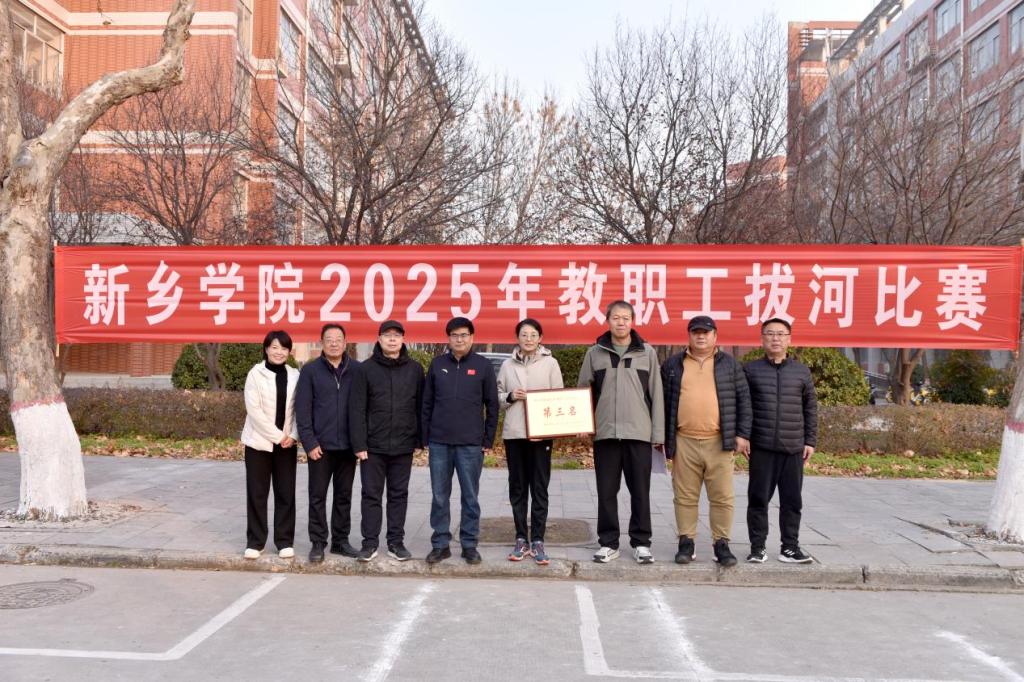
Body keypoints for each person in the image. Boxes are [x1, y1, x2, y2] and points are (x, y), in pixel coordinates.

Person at [577, 301, 664, 565]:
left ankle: (641, 543)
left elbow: (656, 393)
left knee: (640, 491)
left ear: (633, 321)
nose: (621, 322)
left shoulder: (646, 352)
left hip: (639, 433)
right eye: (616, 317)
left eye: (626, 318)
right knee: (606, 491)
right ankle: (608, 543)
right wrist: (582, 423)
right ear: (608, 321)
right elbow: (583, 390)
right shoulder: (595, 353)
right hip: (606, 434)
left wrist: (658, 433)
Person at [661, 316, 751, 568]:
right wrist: (662, 438)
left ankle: (721, 543)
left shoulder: (729, 365)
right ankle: (686, 541)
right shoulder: (673, 364)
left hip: (719, 441)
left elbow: (744, 400)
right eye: (696, 332)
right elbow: (662, 401)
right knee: (684, 496)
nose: (701, 336)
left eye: (706, 332)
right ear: (689, 336)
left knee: (722, 496)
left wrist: (742, 435)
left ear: (715, 336)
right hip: (684, 439)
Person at [421, 316, 499, 565]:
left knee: (470, 497)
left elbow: (492, 405)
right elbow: (426, 402)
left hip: (470, 444)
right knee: (439, 496)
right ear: (448, 338)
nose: (459, 339)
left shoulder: (483, 366)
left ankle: (469, 544)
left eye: (464, 335)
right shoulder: (437, 364)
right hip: (439, 442)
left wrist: (488, 438)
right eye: (454, 335)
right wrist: (425, 436)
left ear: (472, 337)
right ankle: (440, 544)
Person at [743, 318, 818, 564]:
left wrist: (810, 441)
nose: (775, 338)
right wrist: (744, 436)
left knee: (792, 501)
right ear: (762, 338)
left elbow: (810, 408)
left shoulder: (801, 371)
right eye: (770, 333)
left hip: (793, 447)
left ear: (789, 339)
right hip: (761, 446)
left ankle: (790, 548)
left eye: (781, 334)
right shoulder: (750, 370)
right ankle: (757, 548)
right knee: (758, 500)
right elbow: (744, 407)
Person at [348, 320, 424, 562]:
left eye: (397, 335)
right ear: (379, 339)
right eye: (387, 335)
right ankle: (369, 543)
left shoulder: (414, 369)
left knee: (398, 495)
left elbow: (420, 406)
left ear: (403, 340)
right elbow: (357, 409)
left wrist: (420, 439)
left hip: (404, 443)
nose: (392, 339)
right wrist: (359, 444)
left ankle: (395, 542)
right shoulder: (365, 369)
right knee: (371, 495)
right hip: (373, 446)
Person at [497, 318, 564, 565]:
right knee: (517, 487)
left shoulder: (550, 363)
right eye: (524, 334)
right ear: (517, 338)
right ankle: (520, 538)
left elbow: (559, 396)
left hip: (541, 433)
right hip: (515, 432)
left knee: (539, 487)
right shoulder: (507, 365)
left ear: (540, 338)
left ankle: (537, 539)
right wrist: (510, 396)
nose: (528, 339)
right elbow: (497, 395)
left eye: (533, 334)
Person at [295, 323, 361, 563]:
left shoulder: (357, 370)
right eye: (329, 339)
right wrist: (309, 443)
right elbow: (303, 410)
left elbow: (363, 408)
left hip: (348, 447)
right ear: (322, 343)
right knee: (317, 496)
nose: (334, 343)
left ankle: (340, 541)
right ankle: (318, 542)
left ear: (345, 343)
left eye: (338, 339)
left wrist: (360, 443)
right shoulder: (310, 371)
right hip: (320, 448)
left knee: (344, 496)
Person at [240, 330, 300, 560]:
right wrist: (278, 436)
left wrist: (293, 435)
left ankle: (284, 541)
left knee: (286, 493)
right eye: (274, 347)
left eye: (284, 348)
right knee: (257, 493)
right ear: (266, 349)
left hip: (287, 445)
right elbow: (254, 411)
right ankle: (256, 542)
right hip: (258, 443)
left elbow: (300, 409)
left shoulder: (295, 375)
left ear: (289, 351)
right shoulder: (255, 374)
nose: (279, 352)